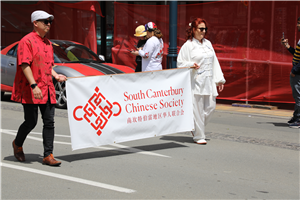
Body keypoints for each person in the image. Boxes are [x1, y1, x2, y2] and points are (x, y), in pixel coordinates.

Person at [11, 10, 67, 166]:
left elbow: (47, 66)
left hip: (47, 88)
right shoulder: (26, 41)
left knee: (49, 122)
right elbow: (25, 65)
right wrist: (34, 85)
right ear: (35, 23)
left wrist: (56, 76)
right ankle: (17, 144)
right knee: (31, 121)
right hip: (31, 89)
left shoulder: (48, 43)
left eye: (50, 22)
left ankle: (48, 155)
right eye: (45, 21)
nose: (48, 24)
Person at [177, 18, 225, 144]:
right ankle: (199, 135)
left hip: (209, 80)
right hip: (196, 80)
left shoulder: (208, 43)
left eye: (205, 29)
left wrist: (219, 80)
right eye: (201, 29)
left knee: (210, 107)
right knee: (197, 109)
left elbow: (215, 62)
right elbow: (180, 63)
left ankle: (194, 125)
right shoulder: (188, 45)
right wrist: (190, 64)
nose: (204, 31)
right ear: (193, 29)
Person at [281, 17, 300, 128]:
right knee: (297, 95)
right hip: (297, 72)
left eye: (299, 23)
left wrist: (294, 71)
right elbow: (297, 54)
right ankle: (296, 116)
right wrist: (288, 46)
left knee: (298, 96)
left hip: (298, 73)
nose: (297, 25)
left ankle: (298, 118)